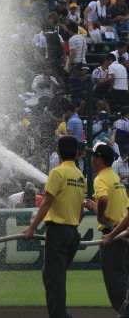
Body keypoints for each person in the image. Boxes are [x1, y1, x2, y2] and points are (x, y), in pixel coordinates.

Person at [23, 135, 86, 318]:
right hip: (72, 233)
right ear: (76, 153)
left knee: (54, 279)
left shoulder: (57, 173)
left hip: (58, 232)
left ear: (58, 151)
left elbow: (47, 202)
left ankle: (60, 315)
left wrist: (32, 227)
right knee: (53, 276)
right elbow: (81, 210)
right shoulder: (80, 176)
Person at [83, 143, 129, 312]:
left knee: (114, 279)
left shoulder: (100, 178)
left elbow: (103, 199)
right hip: (123, 232)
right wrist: (96, 208)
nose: (91, 159)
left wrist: (100, 215)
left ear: (99, 159)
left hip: (113, 234)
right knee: (124, 277)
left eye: (94, 156)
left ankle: (124, 313)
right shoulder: (115, 177)